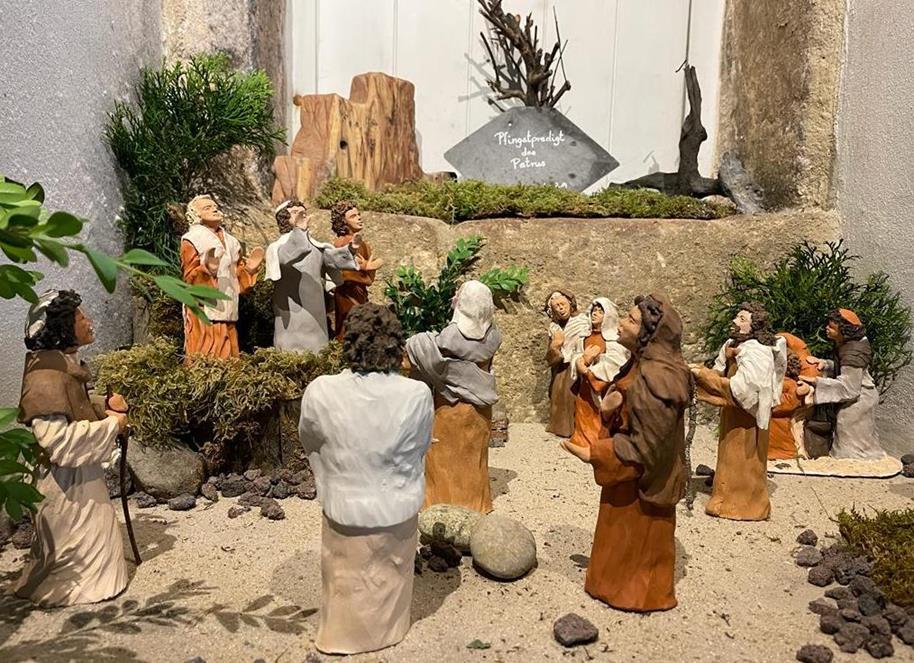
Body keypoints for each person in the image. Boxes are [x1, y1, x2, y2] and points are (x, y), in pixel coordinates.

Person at [298, 304, 434, 655]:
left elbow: (310, 440)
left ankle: (341, 636)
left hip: (345, 509)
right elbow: (420, 449)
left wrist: (332, 477)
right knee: (388, 578)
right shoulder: (417, 394)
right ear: (396, 345)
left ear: (348, 342)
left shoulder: (321, 391)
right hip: (398, 509)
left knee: (345, 585)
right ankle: (388, 630)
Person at [561, 294, 689, 612]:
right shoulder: (638, 364)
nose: (620, 323)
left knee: (637, 542)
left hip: (640, 483)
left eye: (631, 320)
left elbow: (648, 447)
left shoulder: (658, 380)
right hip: (625, 482)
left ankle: (637, 593)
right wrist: (609, 407)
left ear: (649, 333)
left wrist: (595, 453)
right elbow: (629, 411)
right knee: (618, 536)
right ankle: (612, 584)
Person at [15, 290, 131, 606]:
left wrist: (102, 404)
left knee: (96, 538)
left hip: (80, 482)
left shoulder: (61, 367)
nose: (89, 321)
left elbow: (73, 403)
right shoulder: (45, 379)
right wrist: (112, 426)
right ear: (63, 326)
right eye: (81, 317)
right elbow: (58, 443)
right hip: (65, 487)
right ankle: (68, 590)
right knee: (76, 550)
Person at [405, 280, 502, 513]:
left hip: (451, 408)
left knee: (444, 458)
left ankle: (442, 502)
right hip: (481, 410)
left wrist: (419, 342)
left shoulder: (451, 336)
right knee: (473, 459)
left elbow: (433, 356)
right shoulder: (494, 336)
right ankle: (475, 503)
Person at [692, 302, 785, 521]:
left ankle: (745, 505)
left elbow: (748, 388)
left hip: (748, 415)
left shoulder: (758, 351)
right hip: (732, 412)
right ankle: (723, 496)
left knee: (744, 456)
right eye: (737, 317)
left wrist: (710, 380)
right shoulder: (731, 344)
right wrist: (706, 374)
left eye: (742, 319)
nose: (735, 321)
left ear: (755, 326)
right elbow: (719, 370)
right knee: (728, 453)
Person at [265, 199, 360, 352]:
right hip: (292, 306)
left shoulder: (316, 246)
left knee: (317, 345)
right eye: (295, 213)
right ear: (283, 219)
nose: (301, 215)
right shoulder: (278, 247)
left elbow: (332, 259)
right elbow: (290, 255)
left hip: (315, 307)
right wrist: (298, 232)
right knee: (292, 347)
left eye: (303, 213)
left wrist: (350, 250)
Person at [180, 194, 264, 360]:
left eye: (215, 206)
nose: (214, 209)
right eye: (207, 208)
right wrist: (207, 270)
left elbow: (236, 275)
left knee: (230, 352)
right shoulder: (192, 240)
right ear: (196, 214)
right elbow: (189, 278)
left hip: (228, 305)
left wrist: (248, 270)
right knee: (207, 350)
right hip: (205, 310)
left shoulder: (232, 242)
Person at [800, 309, 885, 459]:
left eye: (832, 327)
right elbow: (846, 369)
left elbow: (850, 388)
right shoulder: (847, 344)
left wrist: (817, 383)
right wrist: (826, 365)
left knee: (853, 440)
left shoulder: (854, 351)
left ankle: (858, 462)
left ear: (844, 330)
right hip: (856, 396)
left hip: (859, 401)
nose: (827, 328)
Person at [567, 298, 630, 449]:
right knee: (583, 410)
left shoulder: (613, 340)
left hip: (602, 386)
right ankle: (582, 440)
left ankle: (600, 443)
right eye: (593, 311)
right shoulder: (584, 337)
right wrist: (580, 361)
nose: (595, 314)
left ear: (608, 315)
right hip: (585, 386)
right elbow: (576, 354)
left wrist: (590, 371)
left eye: (600, 312)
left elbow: (616, 363)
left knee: (601, 413)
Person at [330, 200, 383, 340]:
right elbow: (344, 271)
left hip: (359, 292)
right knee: (351, 327)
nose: (359, 218)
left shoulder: (362, 244)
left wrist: (369, 266)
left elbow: (370, 271)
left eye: (358, 214)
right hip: (347, 294)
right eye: (353, 216)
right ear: (343, 221)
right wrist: (366, 267)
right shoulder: (342, 243)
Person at [543, 290, 589, 438]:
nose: (560, 308)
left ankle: (577, 428)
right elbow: (551, 353)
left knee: (572, 396)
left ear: (570, 303)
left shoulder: (582, 321)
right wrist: (555, 345)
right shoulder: (554, 327)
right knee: (557, 395)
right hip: (561, 365)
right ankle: (561, 427)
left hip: (577, 364)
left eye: (562, 304)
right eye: (556, 306)